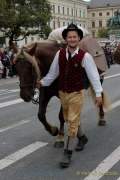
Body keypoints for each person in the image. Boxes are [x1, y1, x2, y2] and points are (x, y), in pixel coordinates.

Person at [37, 23, 103, 168]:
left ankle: (67, 153)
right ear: (66, 39)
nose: (72, 39)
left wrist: (98, 94)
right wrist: (42, 83)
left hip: (76, 93)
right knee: (68, 119)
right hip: (63, 93)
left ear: (79, 38)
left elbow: (93, 76)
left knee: (72, 122)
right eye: (69, 37)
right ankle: (82, 138)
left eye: (75, 37)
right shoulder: (59, 54)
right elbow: (53, 73)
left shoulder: (85, 56)